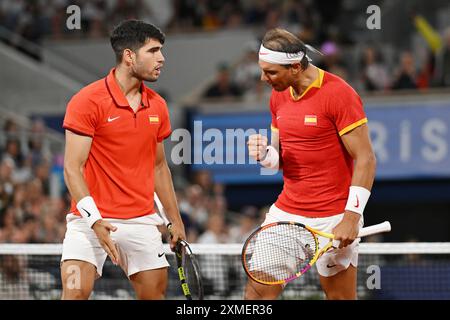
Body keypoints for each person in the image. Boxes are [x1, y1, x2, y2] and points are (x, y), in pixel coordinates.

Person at [246, 28, 376, 300]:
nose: (263, 78)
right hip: (286, 217)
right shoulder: (278, 95)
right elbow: (280, 160)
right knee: (256, 298)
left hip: (335, 218)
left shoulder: (340, 94)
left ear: (294, 66)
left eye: (270, 72)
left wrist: (351, 219)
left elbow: (366, 159)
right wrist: (263, 155)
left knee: (340, 298)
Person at [60, 20, 186, 300]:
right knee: (74, 292)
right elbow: (72, 168)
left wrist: (174, 220)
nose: (162, 59)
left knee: (155, 296)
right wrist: (94, 221)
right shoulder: (87, 101)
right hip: (88, 221)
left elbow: (158, 167)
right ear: (129, 56)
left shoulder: (158, 106)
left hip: (142, 222)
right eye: (153, 51)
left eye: (161, 51)